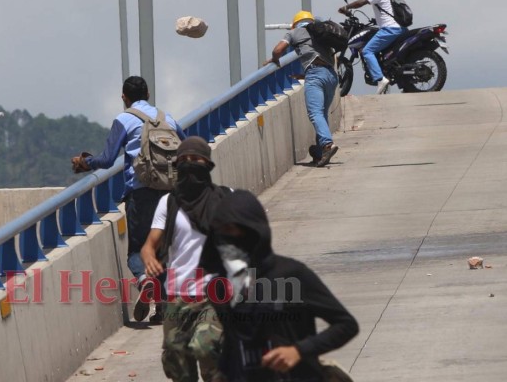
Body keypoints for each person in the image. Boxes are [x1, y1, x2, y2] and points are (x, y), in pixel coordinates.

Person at [199, 190, 359, 382]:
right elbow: (235, 342)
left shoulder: (291, 274)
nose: (225, 238)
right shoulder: (220, 285)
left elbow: (346, 324)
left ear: (253, 230)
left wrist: (298, 351)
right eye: (219, 230)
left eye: (232, 229)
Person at [70, 75, 186, 324]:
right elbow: (188, 149)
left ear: (124, 97)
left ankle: (145, 282)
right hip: (170, 194)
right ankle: (162, 309)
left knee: (137, 249)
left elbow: (107, 159)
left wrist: (84, 162)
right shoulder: (169, 119)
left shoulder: (124, 119)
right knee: (163, 251)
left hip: (140, 193)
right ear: (148, 94)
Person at [140, 136, 230, 382]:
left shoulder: (225, 198)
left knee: (207, 348)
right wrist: (149, 259)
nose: (190, 164)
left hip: (214, 296)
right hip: (176, 297)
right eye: (185, 160)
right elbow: (149, 245)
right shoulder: (168, 203)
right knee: (177, 366)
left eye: (196, 160)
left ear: (208, 164)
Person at [263, 10, 339, 167]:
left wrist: (274, 60)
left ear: (295, 23)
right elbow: (325, 59)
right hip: (331, 75)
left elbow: (278, 50)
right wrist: (306, 75)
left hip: (315, 74)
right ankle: (319, 152)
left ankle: (326, 145)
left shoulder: (294, 33)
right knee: (321, 113)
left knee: (315, 113)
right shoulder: (320, 32)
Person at [338, 0, 408, 94]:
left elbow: (361, 2)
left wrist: (347, 6)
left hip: (390, 29)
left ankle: (380, 79)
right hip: (397, 28)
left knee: (367, 51)